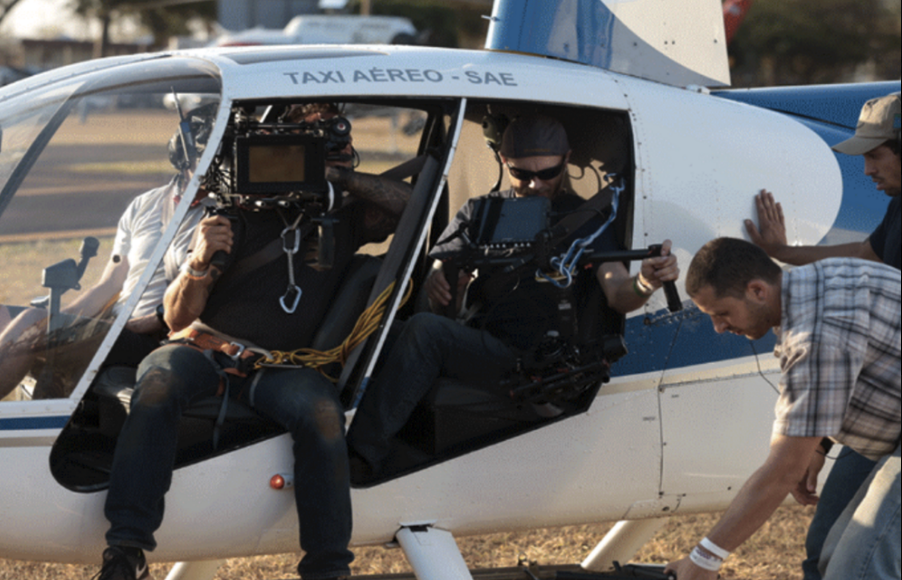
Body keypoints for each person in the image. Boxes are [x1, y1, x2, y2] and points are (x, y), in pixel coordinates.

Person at [93, 103, 413, 580]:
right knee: (158, 385)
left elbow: (416, 205)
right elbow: (176, 316)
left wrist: (336, 180)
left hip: (284, 367)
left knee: (322, 415)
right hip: (205, 349)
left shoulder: (344, 217)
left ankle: (328, 567)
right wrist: (200, 260)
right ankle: (126, 548)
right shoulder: (235, 214)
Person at [346, 114, 679, 477]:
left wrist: (646, 283)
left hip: (533, 361)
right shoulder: (479, 211)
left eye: (547, 173)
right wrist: (441, 281)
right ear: (504, 162)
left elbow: (618, 292)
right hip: (481, 339)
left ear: (566, 159)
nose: (535, 184)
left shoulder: (586, 219)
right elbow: (444, 270)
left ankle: (360, 458)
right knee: (378, 331)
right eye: (521, 174)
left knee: (425, 332)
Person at [666, 237, 900, 580]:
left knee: (859, 569)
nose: (719, 327)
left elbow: (782, 471)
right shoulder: (817, 281)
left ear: (758, 290)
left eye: (722, 313)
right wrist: (819, 442)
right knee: (830, 554)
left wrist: (703, 560)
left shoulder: (816, 334)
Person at [743, 91, 901, 580]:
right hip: (886, 417)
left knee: (861, 564)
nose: (868, 169)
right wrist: (785, 254)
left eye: (876, 154)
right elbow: (864, 254)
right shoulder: (899, 209)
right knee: (821, 548)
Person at [0, 105, 216, 400]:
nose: (212, 166)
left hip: (155, 337)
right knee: (6, 316)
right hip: (113, 327)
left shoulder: (220, 220)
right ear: (182, 153)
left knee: (28, 325)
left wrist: (133, 324)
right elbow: (110, 284)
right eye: (205, 155)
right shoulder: (145, 205)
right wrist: (63, 319)